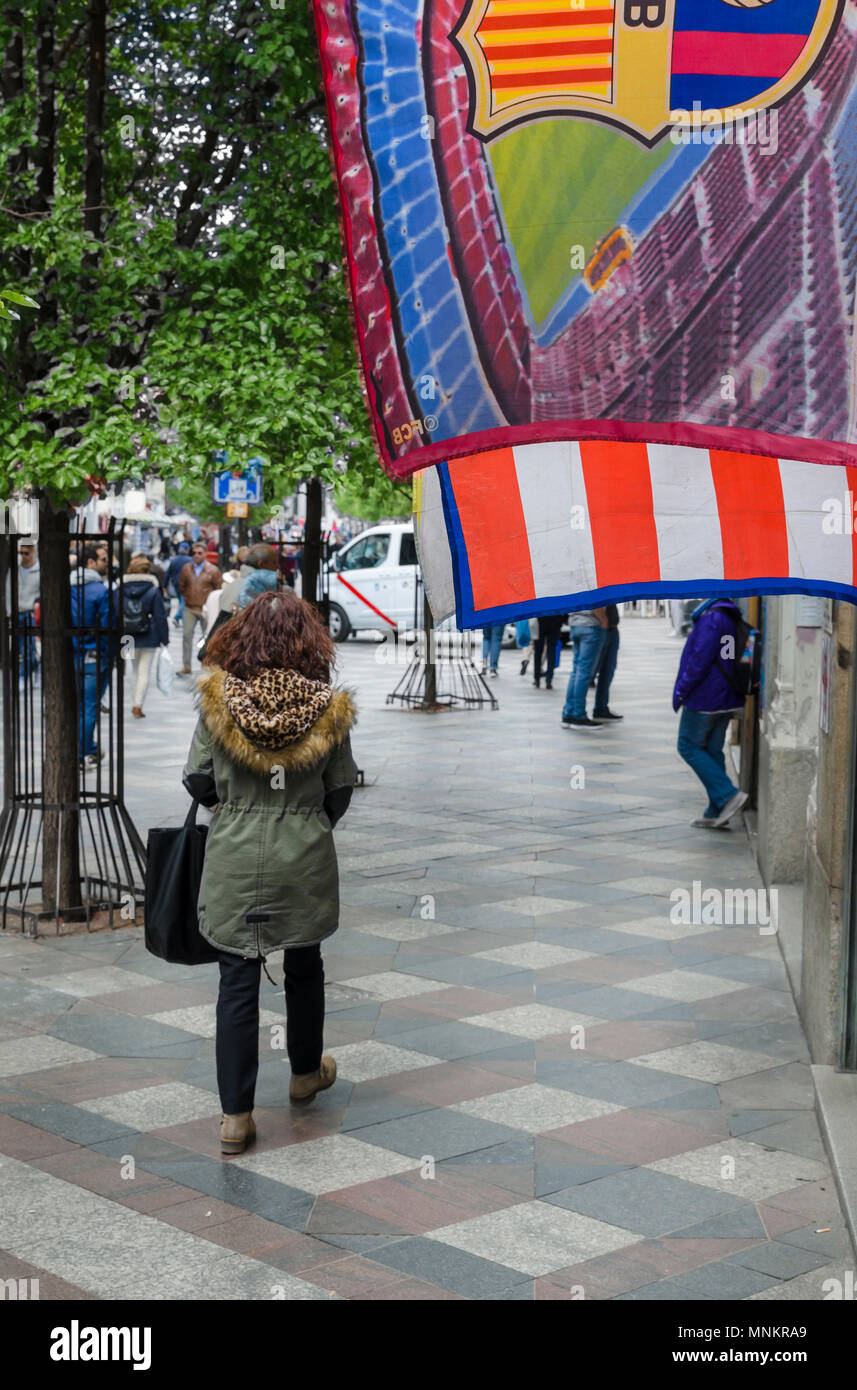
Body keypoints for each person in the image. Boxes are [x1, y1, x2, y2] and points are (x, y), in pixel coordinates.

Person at [182, 589, 357, 1155]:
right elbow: (340, 790)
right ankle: (305, 1074)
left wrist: (237, 810)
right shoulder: (329, 708)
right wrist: (302, 820)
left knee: (236, 978)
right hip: (303, 857)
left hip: (235, 856)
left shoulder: (217, 701)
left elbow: (197, 780)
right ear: (310, 644)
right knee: (305, 962)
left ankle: (236, 1118)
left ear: (242, 639)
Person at [673, 597, 749, 828]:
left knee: (687, 746)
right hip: (727, 696)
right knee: (712, 750)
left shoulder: (712, 619)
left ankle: (727, 794)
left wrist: (681, 691)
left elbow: (699, 661)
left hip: (706, 696)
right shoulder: (730, 616)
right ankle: (716, 810)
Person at [71, 546, 112, 765]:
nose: (108, 563)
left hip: (73, 653)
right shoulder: (100, 590)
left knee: (79, 706)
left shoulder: (67, 587)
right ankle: (83, 752)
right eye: (104, 559)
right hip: (94, 654)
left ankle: (89, 747)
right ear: (90, 563)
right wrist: (107, 652)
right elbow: (107, 625)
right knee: (89, 706)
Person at [122, 554, 169, 717]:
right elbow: (160, 616)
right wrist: (165, 638)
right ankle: (138, 704)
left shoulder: (120, 588)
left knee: (132, 670)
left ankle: (134, 700)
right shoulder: (153, 590)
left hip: (127, 636)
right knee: (144, 671)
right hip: (149, 635)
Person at [178, 542, 222, 674]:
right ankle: (186, 666)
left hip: (206, 609)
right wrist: (187, 597)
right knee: (186, 636)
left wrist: (209, 603)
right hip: (190, 607)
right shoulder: (186, 568)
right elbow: (181, 585)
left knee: (209, 637)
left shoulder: (213, 570)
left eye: (199, 553)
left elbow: (218, 589)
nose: (196, 555)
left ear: (205, 554)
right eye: (194, 553)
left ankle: (207, 664)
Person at [561, 608, 608, 728]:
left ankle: (568, 713)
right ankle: (578, 715)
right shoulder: (591, 587)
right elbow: (595, 603)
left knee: (576, 671)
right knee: (583, 672)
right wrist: (604, 620)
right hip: (590, 625)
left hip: (575, 624)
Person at [9, 540, 40, 684]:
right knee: (23, 648)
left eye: (26, 553)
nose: (23, 556)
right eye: (20, 553)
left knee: (28, 648)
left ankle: (23, 676)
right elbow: (8, 590)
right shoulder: (15, 569)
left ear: (33, 551)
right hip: (17, 612)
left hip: (30, 612)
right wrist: (10, 612)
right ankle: (36, 667)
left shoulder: (39, 570)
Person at [592, 604, 623, 722]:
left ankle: (601, 707)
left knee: (608, 671)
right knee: (586, 672)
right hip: (601, 628)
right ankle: (575, 712)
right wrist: (604, 621)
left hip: (611, 627)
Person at [533, 612, 565, 690]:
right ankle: (549, 679)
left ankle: (537, 678)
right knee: (551, 651)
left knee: (538, 651)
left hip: (540, 618)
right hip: (555, 619)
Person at [166, 541, 193, 627]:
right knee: (183, 601)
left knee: (181, 600)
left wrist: (164, 585)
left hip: (176, 584)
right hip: (186, 584)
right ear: (187, 550)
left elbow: (168, 573)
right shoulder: (190, 560)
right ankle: (177, 617)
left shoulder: (174, 560)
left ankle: (180, 617)